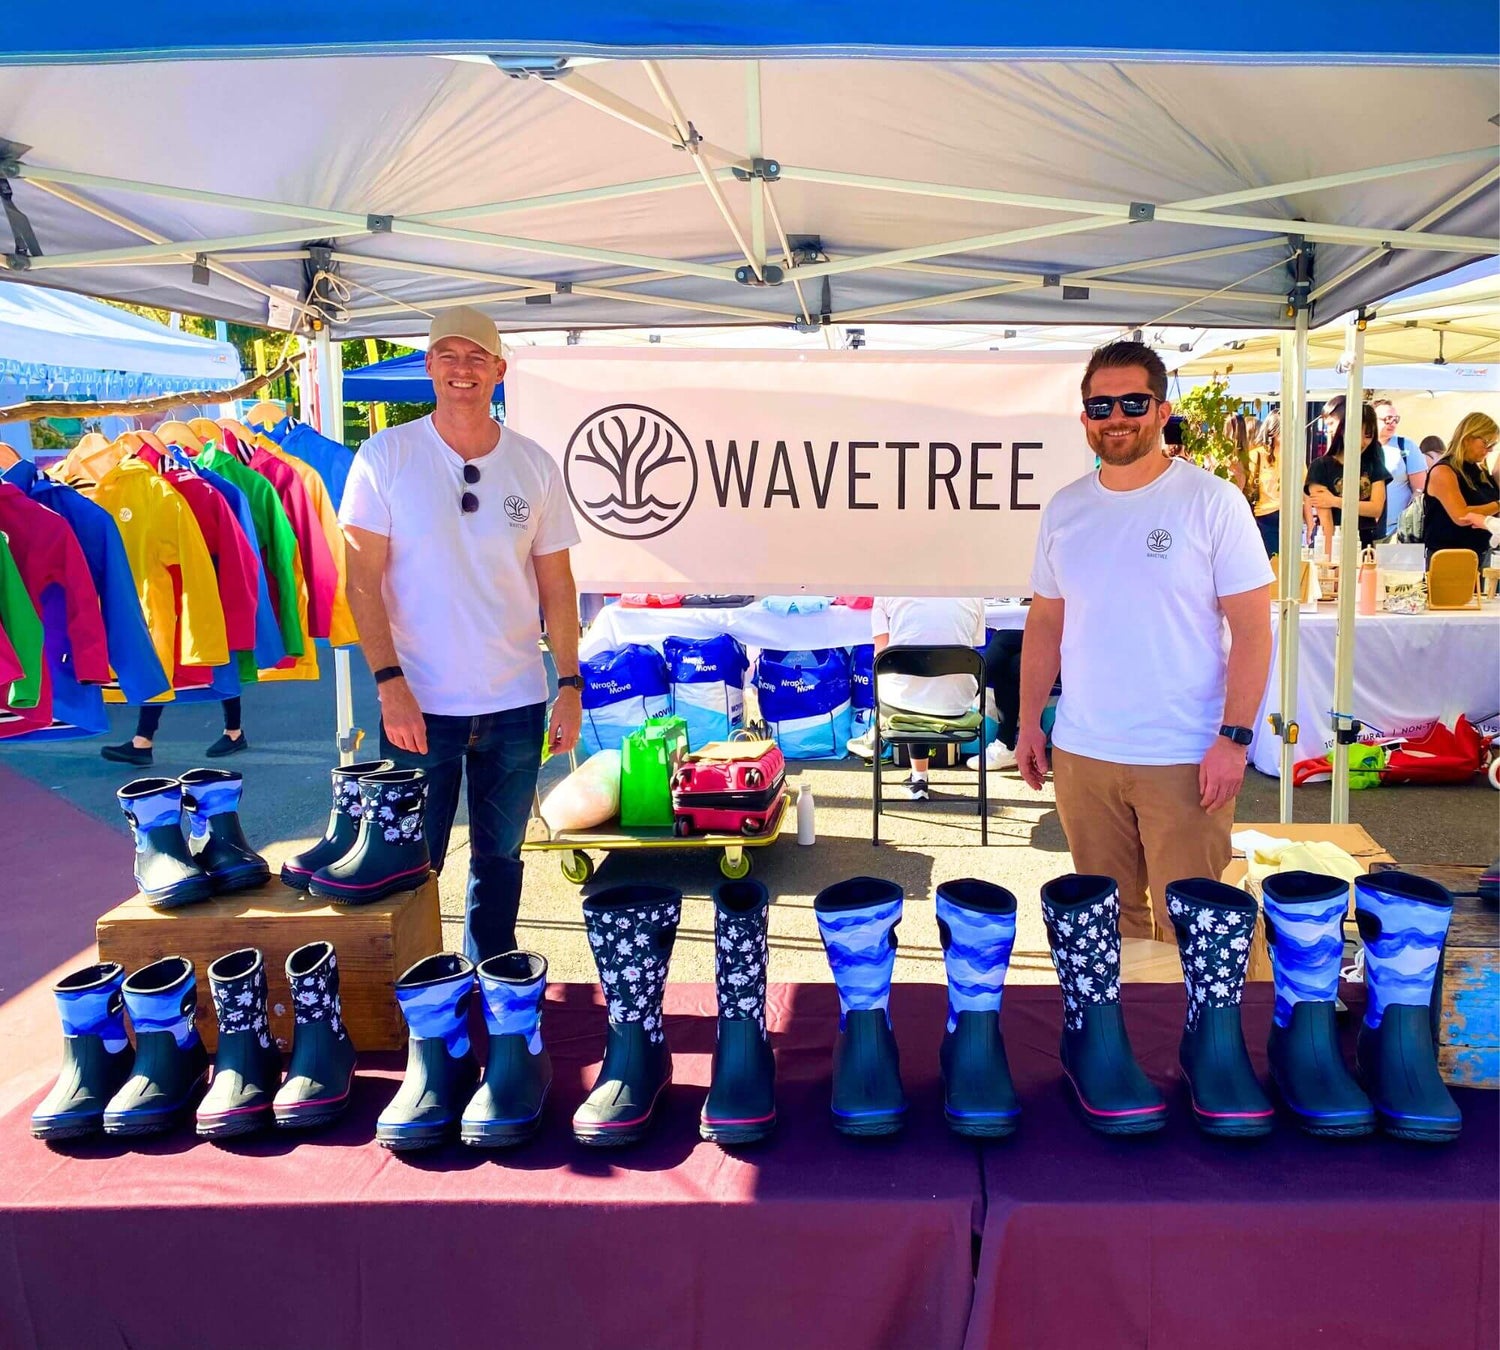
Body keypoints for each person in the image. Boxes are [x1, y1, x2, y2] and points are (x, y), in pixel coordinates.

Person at [340, 306, 582, 961]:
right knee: (411, 865)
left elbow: (558, 587)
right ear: (428, 368)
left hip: (516, 700)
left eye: (477, 357)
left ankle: (493, 984)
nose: (462, 369)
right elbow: (361, 581)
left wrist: (569, 684)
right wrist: (389, 684)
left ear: (500, 370)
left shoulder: (533, 464)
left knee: (500, 860)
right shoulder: (385, 455)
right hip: (421, 705)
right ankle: (420, 994)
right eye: (448, 356)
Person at [1015, 340, 1273, 941]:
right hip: (1084, 756)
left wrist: (1234, 740)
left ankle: (1194, 1039)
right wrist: (1030, 722)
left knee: (1194, 931)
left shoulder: (1213, 502)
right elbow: (1046, 623)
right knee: (1107, 931)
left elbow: (1255, 628)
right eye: (1100, 406)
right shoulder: (1065, 509)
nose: (1116, 418)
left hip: (1184, 755)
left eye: (1133, 402)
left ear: (1161, 410)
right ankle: (1119, 1038)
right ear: (1084, 419)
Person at [854, 596, 985, 801]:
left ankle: (919, 778)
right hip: (956, 703)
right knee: (922, 690)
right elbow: (973, 643)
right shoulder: (973, 593)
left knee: (908, 692)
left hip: (901, 703)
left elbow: (880, 657)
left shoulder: (886, 592)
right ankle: (918, 778)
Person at [1304, 403, 1390, 555]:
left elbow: (1376, 508)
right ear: (1343, 431)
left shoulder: (1374, 463)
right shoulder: (1320, 466)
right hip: (1329, 540)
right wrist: (1329, 559)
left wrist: (1335, 501)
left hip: (1365, 542)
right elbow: (1326, 521)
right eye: (1358, 434)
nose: (1363, 442)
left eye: (1368, 436)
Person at [1422, 411, 1499, 566]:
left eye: (1493, 445)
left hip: (1481, 554)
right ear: (1468, 438)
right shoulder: (1444, 471)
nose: (1489, 450)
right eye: (1486, 443)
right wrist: (1497, 505)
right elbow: (1461, 516)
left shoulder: (1478, 471)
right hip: (1450, 557)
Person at [1372, 398, 1427, 538]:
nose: (1392, 423)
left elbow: (1419, 490)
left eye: (1396, 419)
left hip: (1397, 531)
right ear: (1372, 420)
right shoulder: (1360, 448)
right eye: (1387, 419)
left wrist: (1408, 522)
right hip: (1364, 527)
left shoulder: (1406, 446)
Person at [1247, 409, 1283, 557]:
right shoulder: (1257, 455)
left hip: (1289, 518)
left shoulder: (1295, 455)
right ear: (1273, 431)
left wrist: (1309, 523)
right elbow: (1247, 488)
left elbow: (1303, 491)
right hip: (1264, 517)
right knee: (1270, 563)